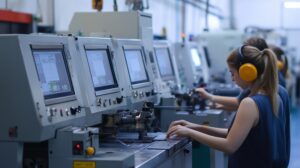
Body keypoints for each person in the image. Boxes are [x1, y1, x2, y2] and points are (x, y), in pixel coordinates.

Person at [167, 46, 287, 167]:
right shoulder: (274, 98)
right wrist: (195, 127)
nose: (232, 78)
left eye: (233, 73)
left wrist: (190, 133)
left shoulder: (250, 104)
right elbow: (234, 134)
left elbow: (229, 145)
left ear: (246, 72)